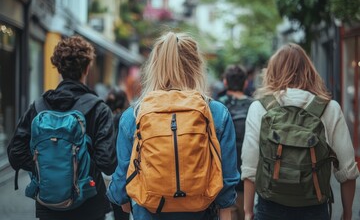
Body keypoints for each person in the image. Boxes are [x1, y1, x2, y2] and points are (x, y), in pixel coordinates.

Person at [107, 31, 240, 220]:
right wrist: (225, 209)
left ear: (154, 66)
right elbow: (227, 178)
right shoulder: (216, 113)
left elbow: (122, 177)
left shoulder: (134, 115)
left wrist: (121, 198)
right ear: (196, 66)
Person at [241, 43, 360, 220]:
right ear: (310, 71)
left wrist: (248, 212)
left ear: (272, 71)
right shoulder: (329, 108)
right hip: (314, 208)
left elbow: (250, 168)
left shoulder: (259, 107)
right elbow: (347, 170)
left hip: (270, 207)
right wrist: (347, 213)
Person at [7, 35, 117, 220]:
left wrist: (48, 166)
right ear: (87, 68)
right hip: (89, 207)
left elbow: (15, 155)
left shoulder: (38, 106)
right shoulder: (99, 109)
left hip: (49, 205)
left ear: (58, 68)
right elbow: (107, 164)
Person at [218, 64, 253, 220]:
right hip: (250, 184)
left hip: (223, 184)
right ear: (245, 83)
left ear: (225, 82)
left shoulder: (216, 106)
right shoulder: (255, 106)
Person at [104, 87, 130, 220]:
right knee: (122, 215)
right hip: (122, 175)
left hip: (106, 176)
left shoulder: (104, 116)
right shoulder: (127, 118)